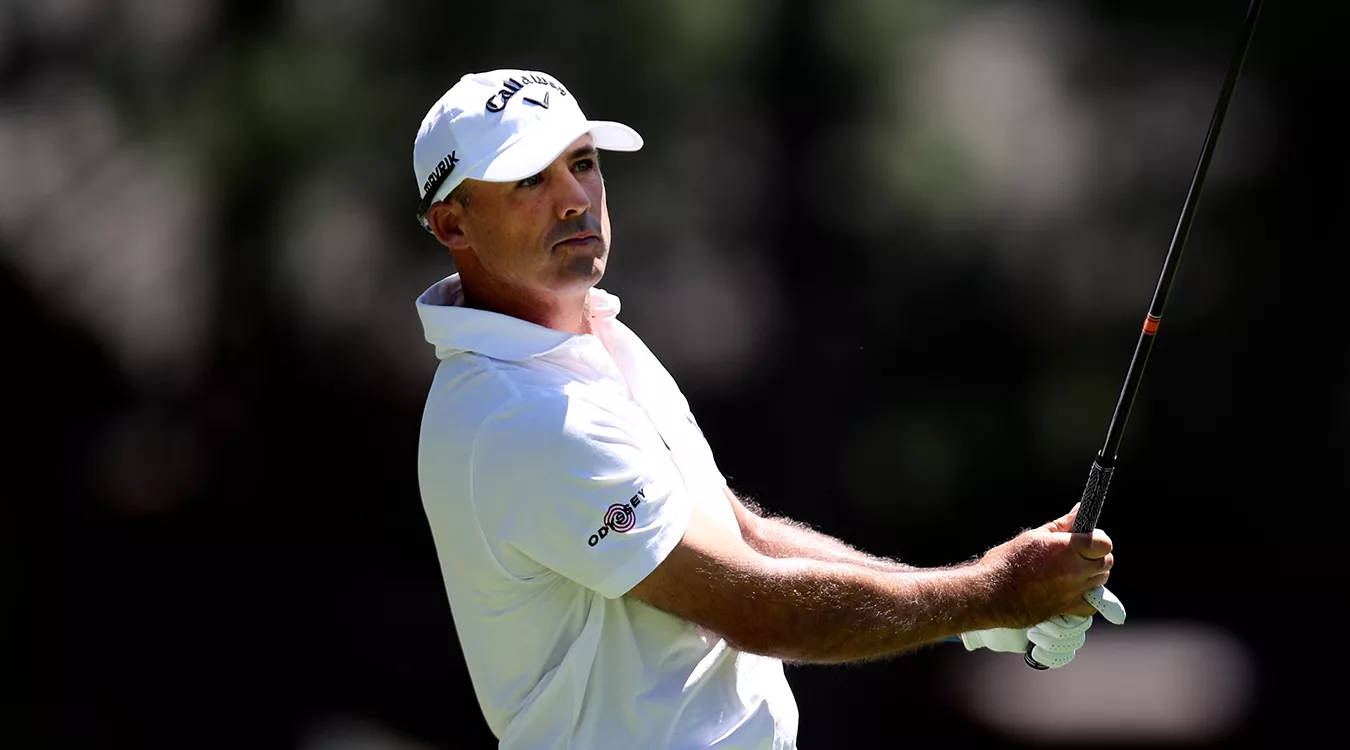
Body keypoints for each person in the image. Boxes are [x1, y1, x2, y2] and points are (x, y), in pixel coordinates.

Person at [411, 69, 1124, 750]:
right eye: (531, 179)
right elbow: (752, 604)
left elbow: (743, 536)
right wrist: (987, 595)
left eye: (585, 163)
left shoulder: (596, 339)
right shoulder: (520, 415)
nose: (575, 198)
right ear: (453, 225)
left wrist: (970, 611)